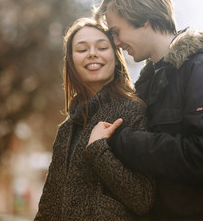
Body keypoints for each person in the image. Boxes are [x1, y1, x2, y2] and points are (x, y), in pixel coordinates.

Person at [89, 0, 203, 220]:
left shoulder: (202, 69)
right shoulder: (148, 86)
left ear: (143, 19)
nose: (116, 42)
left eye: (117, 31)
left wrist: (124, 141)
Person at [34, 17, 155, 221]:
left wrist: (98, 150)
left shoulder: (133, 111)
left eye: (101, 47)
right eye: (82, 50)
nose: (92, 54)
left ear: (116, 57)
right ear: (71, 62)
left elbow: (143, 199)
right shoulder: (67, 128)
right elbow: (50, 203)